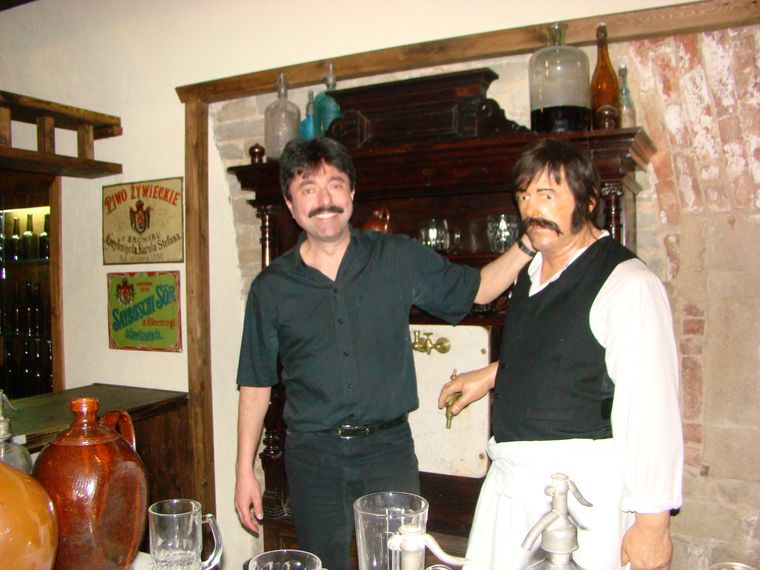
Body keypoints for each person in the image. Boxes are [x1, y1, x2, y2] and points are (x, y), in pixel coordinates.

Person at [234, 137, 530, 570]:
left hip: (387, 452)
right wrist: (245, 471)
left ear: (352, 193)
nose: (324, 200)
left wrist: (528, 244)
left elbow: (479, 289)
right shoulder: (271, 288)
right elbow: (255, 384)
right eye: (308, 189)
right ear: (291, 205)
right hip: (313, 458)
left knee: (397, 565)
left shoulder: (396, 257)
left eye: (335, 185)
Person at [439, 138, 683, 570]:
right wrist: (493, 374)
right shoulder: (531, 272)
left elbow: (652, 410)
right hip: (514, 486)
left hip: (580, 498)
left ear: (588, 201)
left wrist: (652, 525)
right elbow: (564, 350)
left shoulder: (628, 284)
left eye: (547, 195)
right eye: (524, 196)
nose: (531, 209)